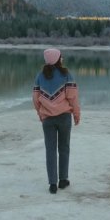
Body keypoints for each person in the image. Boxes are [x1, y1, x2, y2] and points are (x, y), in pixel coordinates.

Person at [32, 48, 81, 194]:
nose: (62, 58)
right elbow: (73, 98)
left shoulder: (40, 76)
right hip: (64, 117)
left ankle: (52, 184)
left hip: (47, 119)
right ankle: (63, 180)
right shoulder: (66, 75)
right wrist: (76, 114)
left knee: (50, 150)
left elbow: (35, 99)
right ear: (58, 58)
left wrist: (40, 113)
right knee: (64, 148)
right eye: (61, 56)